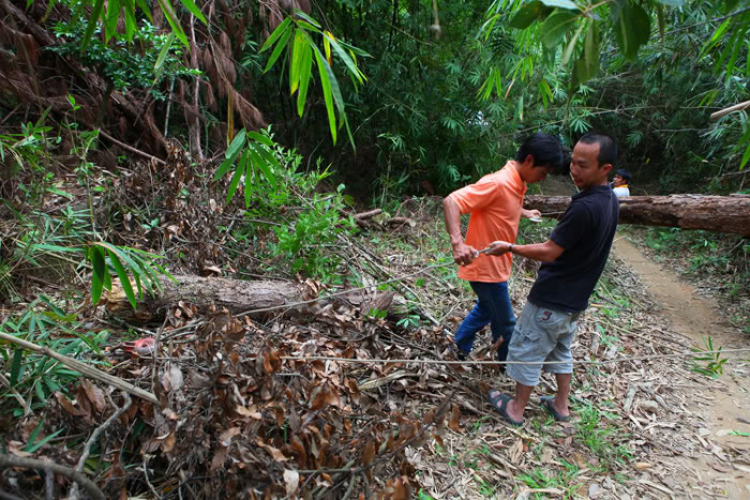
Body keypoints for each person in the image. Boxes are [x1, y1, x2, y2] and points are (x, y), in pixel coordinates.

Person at [484, 132, 619, 426]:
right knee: (560, 349)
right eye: (573, 162)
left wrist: (510, 247)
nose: (574, 170)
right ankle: (561, 405)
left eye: (583, 165)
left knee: (528, 348)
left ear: (605, 169)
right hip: (575, 300)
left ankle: (516, 409)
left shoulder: (585, 207)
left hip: (552, 297)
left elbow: (549, 251)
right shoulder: (609, 200)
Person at [443, 133, 564, 364]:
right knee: (506, 322)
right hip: (484, 267)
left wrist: (524, 212)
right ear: (529, 160)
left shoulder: (517, 183)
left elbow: (504, 206)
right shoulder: (498, 182)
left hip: (498, 266)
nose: (542, 178)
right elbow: (452, 201)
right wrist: (457, 243)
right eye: (542, 172)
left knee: (486, 310)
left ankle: (459, 347)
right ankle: (506, 365)